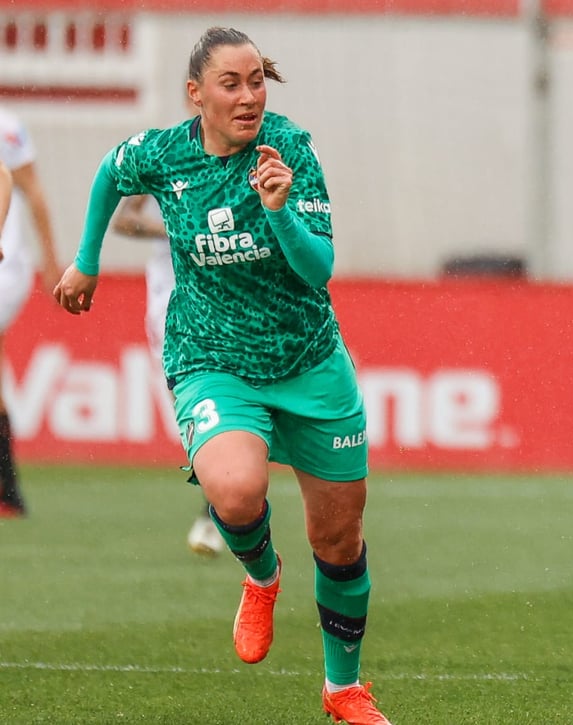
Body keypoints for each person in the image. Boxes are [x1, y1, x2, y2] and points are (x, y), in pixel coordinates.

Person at [52, 27, 391, 724]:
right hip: (211, 358)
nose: (247, 97)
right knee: (235, 493)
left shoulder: (290, 150)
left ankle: (342, 688)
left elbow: (319, 270)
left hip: (308, 362)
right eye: (230, 85)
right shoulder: (167, 153)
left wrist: (279, 211)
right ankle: (262, 575)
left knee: (339, 538)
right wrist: (86, 257)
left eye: (256, 82)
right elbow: (111, 172)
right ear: (195, 95)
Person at [111, 188, 226, 557]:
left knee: (222, 400)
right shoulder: (161, 158)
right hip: (167, 296)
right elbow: (125, 221)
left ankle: (216, 511)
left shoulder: (240, 161)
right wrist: (175, 231)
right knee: (188, 409)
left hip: (222, 294)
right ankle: (220, 502)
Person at [0, 106, 58, 519]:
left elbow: (27, 188)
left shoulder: (6, 126)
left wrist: (52, 262)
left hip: (8, 268)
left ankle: (7, 487)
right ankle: (9, 488)